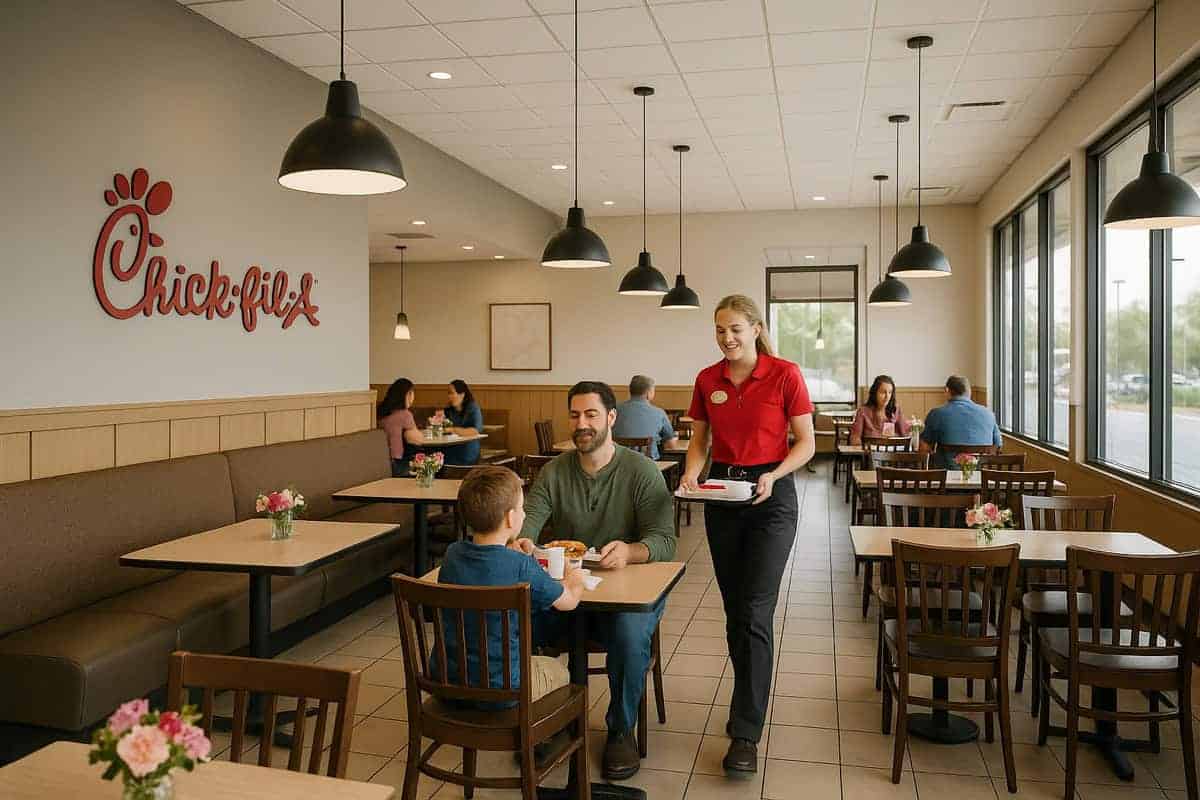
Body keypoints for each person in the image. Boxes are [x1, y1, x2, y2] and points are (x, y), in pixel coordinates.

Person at [510, 380, 676, 781]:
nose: (581, 424)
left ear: (611, 418)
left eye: (591, 414)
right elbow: (530, 518)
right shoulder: (555, 471)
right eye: (574, 415)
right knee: (518, 620)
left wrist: (632, 551)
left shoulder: (641, 471)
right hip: (567, 590)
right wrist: (522, 540)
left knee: (629, 632)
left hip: (627, 593)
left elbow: (664, 540)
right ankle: (545, 718)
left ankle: (620, 728)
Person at [679, 294, 815, 776]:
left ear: (756, 328)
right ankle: (747, 697)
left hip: (771, 499)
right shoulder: (707, 379)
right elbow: (700, 442)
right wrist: (692, 474)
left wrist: (775, 475)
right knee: (735, 609)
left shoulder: (784, 373)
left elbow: (807, 443)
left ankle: (745, 731)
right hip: (723, 497)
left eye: (735, 329)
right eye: (719, 330)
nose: (727, 338)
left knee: (755, 611)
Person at [438, 467, 585, 710]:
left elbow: (489, 565)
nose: (525, 516)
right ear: (509, 518)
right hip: (504, 688)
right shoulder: (520, 565)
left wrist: (519, 549)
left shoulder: (452, 554)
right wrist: (573, 575)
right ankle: (544, 737)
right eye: (522, 509)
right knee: (559, 671)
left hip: (449, 681)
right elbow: (568, 601)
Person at [919, 375, 1003, 469]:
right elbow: (998, 445)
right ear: (969, 392)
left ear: (947, 390)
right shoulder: (988, 414)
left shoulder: (937, 414)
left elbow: (924, 447)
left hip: (945, 476)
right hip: (981, 477)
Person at [612, 375, 680, 460]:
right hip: (648, 466)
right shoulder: (659, 413)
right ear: (648, 393)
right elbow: (671, 445)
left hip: (617, 463)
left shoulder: (613, 411)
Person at [378, 378, 426, 477]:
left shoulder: (381, 412)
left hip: (381, 463)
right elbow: (418, 440)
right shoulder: (405, 415)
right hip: (397, 465)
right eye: (412, 393)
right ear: (408, 394)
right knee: (428, 466)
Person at [850, 374, 912, 445]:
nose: (887, 396)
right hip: (869, 454)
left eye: (890, 392)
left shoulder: (895, 410)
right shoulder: (863, 412)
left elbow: (905, 433)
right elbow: (855, 437)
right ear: (875, 393)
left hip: (892, 454)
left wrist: (914, 428)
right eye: (883, 392)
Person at [443, 379, 484, 466]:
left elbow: (475, 431)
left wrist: (453, 430)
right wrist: (437, 421)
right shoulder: (449, 410)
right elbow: (443, 430)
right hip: (449, 448)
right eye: (448, 393)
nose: (449, 396)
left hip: (467, 450)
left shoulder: (473, 408)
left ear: (462, 394)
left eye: (451, 393)